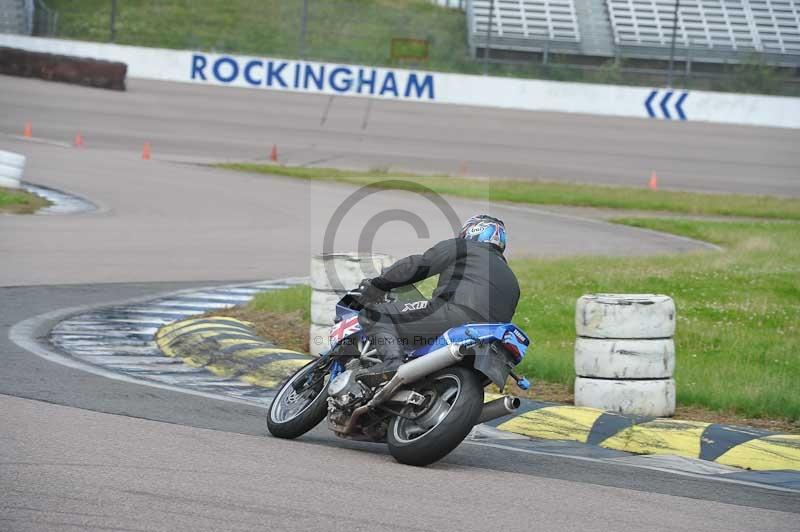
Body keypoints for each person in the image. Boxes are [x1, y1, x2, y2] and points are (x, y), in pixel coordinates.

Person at [353, 214, 520, 386]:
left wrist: (378, 285)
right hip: (488, 339)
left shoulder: (464, 246)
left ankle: (391, 363)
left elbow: (419, 265)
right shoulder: (512, 278)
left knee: (373, 315)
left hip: (455, 314)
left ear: (472, 231)